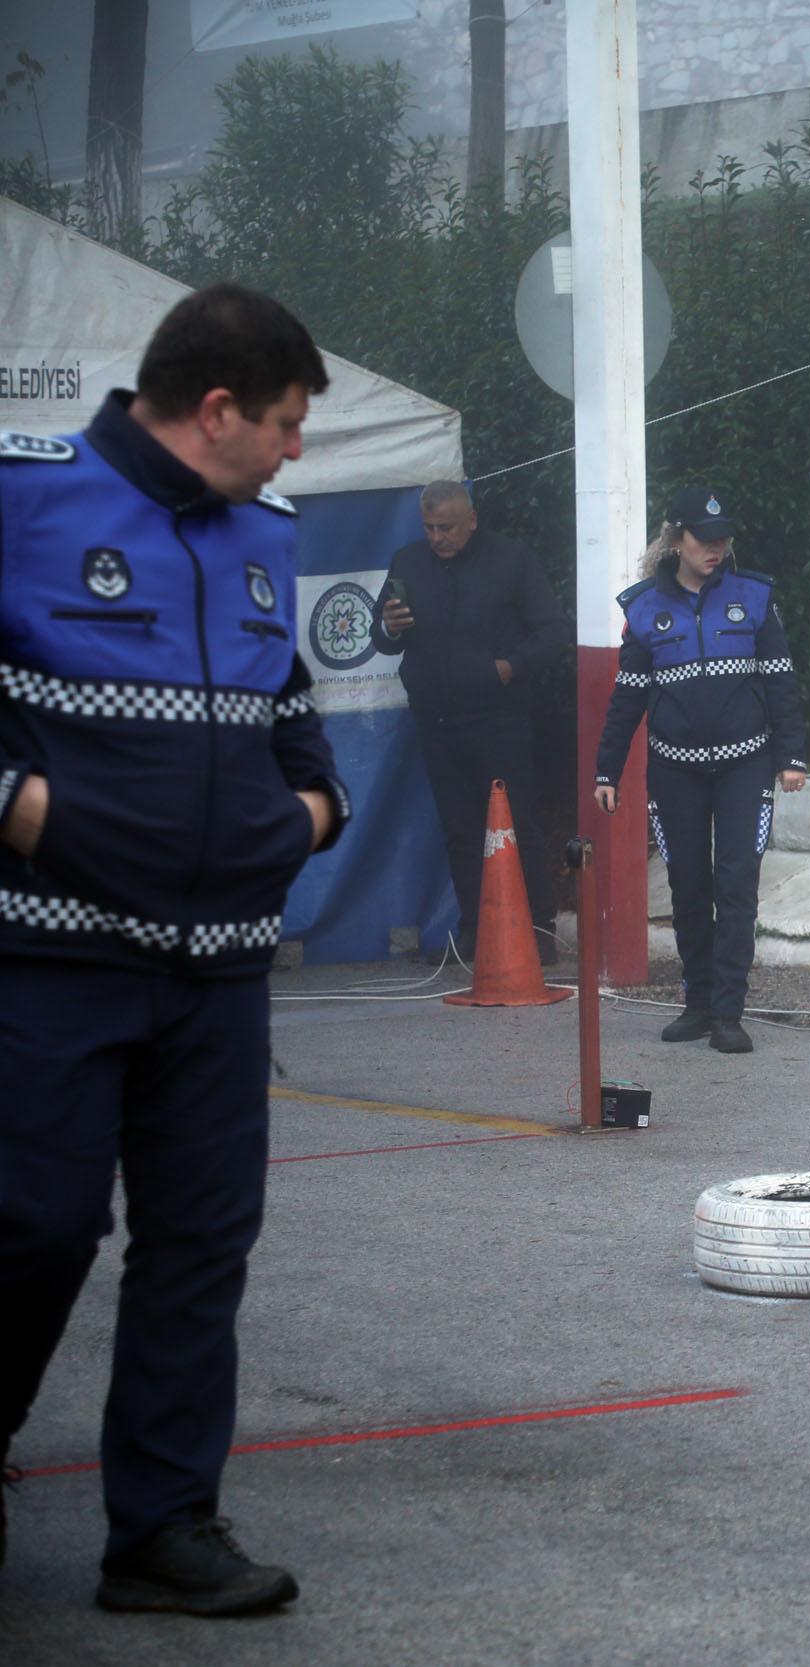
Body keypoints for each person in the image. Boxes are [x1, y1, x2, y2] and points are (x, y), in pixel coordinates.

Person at [0, 284, 349, 1615]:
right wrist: (30, 813)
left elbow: (304, 739)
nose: (296, 449)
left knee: (201, 1245)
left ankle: (162, 1527)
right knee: (34, 1226)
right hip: (52, 958)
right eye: (286, 421)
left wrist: (299, 818)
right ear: (218, 410)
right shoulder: (25, 505)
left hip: (219, 977)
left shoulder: (263, 540)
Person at [593, 485, 806, 1054]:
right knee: (688, 885)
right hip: (674, 770)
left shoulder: (754, 597)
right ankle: (697, 1003)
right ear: (676, 539)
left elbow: (781, 681)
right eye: (704, 539)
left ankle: (730, 1012)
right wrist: (606, 772)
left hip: (746, 765)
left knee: (736, 886)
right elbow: (626, 698)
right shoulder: (642, 608)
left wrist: (791, 756)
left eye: (723, 539)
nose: (716, 548)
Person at [370, 481, 564, 956]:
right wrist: (387, 627)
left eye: (448, 527)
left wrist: (508, 668)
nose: (438, 537)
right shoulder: (407, 562)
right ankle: (478, 933)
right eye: (430, 528)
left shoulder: (512, 560)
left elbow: (554, 631)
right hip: (436, 720)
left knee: (517, 822)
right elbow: (382, 639)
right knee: (459, 828)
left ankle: (539, 932)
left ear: (472, 519)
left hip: (499, 717)